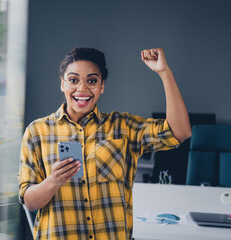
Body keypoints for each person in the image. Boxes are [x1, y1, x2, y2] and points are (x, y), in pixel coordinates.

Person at [18, 47, 191, 239]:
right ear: (62, 84)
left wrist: (164, 73)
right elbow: (29, 202)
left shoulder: (122, 127)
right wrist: (54, 181)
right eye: (73, 80)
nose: (82, 89)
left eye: (91, 81)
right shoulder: (37, 132)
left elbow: (180, 132)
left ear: (102, 86)